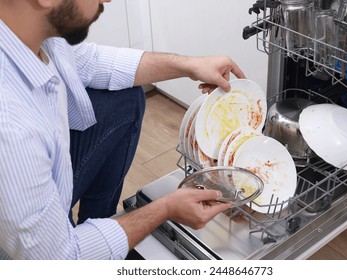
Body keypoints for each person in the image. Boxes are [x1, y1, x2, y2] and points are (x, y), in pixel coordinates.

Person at [0, 0, 246, 259]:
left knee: (124, 100)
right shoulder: (11, 127)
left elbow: (92, 62)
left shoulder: (30, 34)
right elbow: (61, 261)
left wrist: (188, 66)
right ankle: (87, 241)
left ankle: (98, 225)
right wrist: (164, 208)